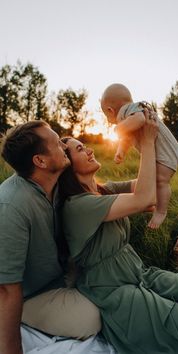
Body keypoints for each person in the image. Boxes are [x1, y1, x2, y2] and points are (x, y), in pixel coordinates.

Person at [59, 113, 178, 354]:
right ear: (67, 165)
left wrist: (142, 137)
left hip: (139, 272)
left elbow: (154, 184)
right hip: (115, 292)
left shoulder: (104, 189)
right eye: (80, 149)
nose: (89, 150)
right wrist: (148, 143)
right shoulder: (77, 206)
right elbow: (146, 198)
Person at [0, 120, 101, 354]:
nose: (64, 147)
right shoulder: (11, 206)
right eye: (57, 143)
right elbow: (6, 288)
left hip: (62, 277)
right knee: (91, 319)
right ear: (40, 161)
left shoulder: (56, 183)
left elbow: (101, 191)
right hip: (31, 295)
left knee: (115, 291)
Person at [101, 83, 178, 229]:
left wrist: (118, 128)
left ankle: (161, 211)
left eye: (107, 116)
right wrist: (121, 151)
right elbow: (126, 138)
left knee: (161, 180)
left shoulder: (129, 109)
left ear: (110, 110)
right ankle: (152, 203)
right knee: (156, 180)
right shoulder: (129, 115)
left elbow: (139, 120)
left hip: (166, 153)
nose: (108, 120)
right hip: (169, 151)